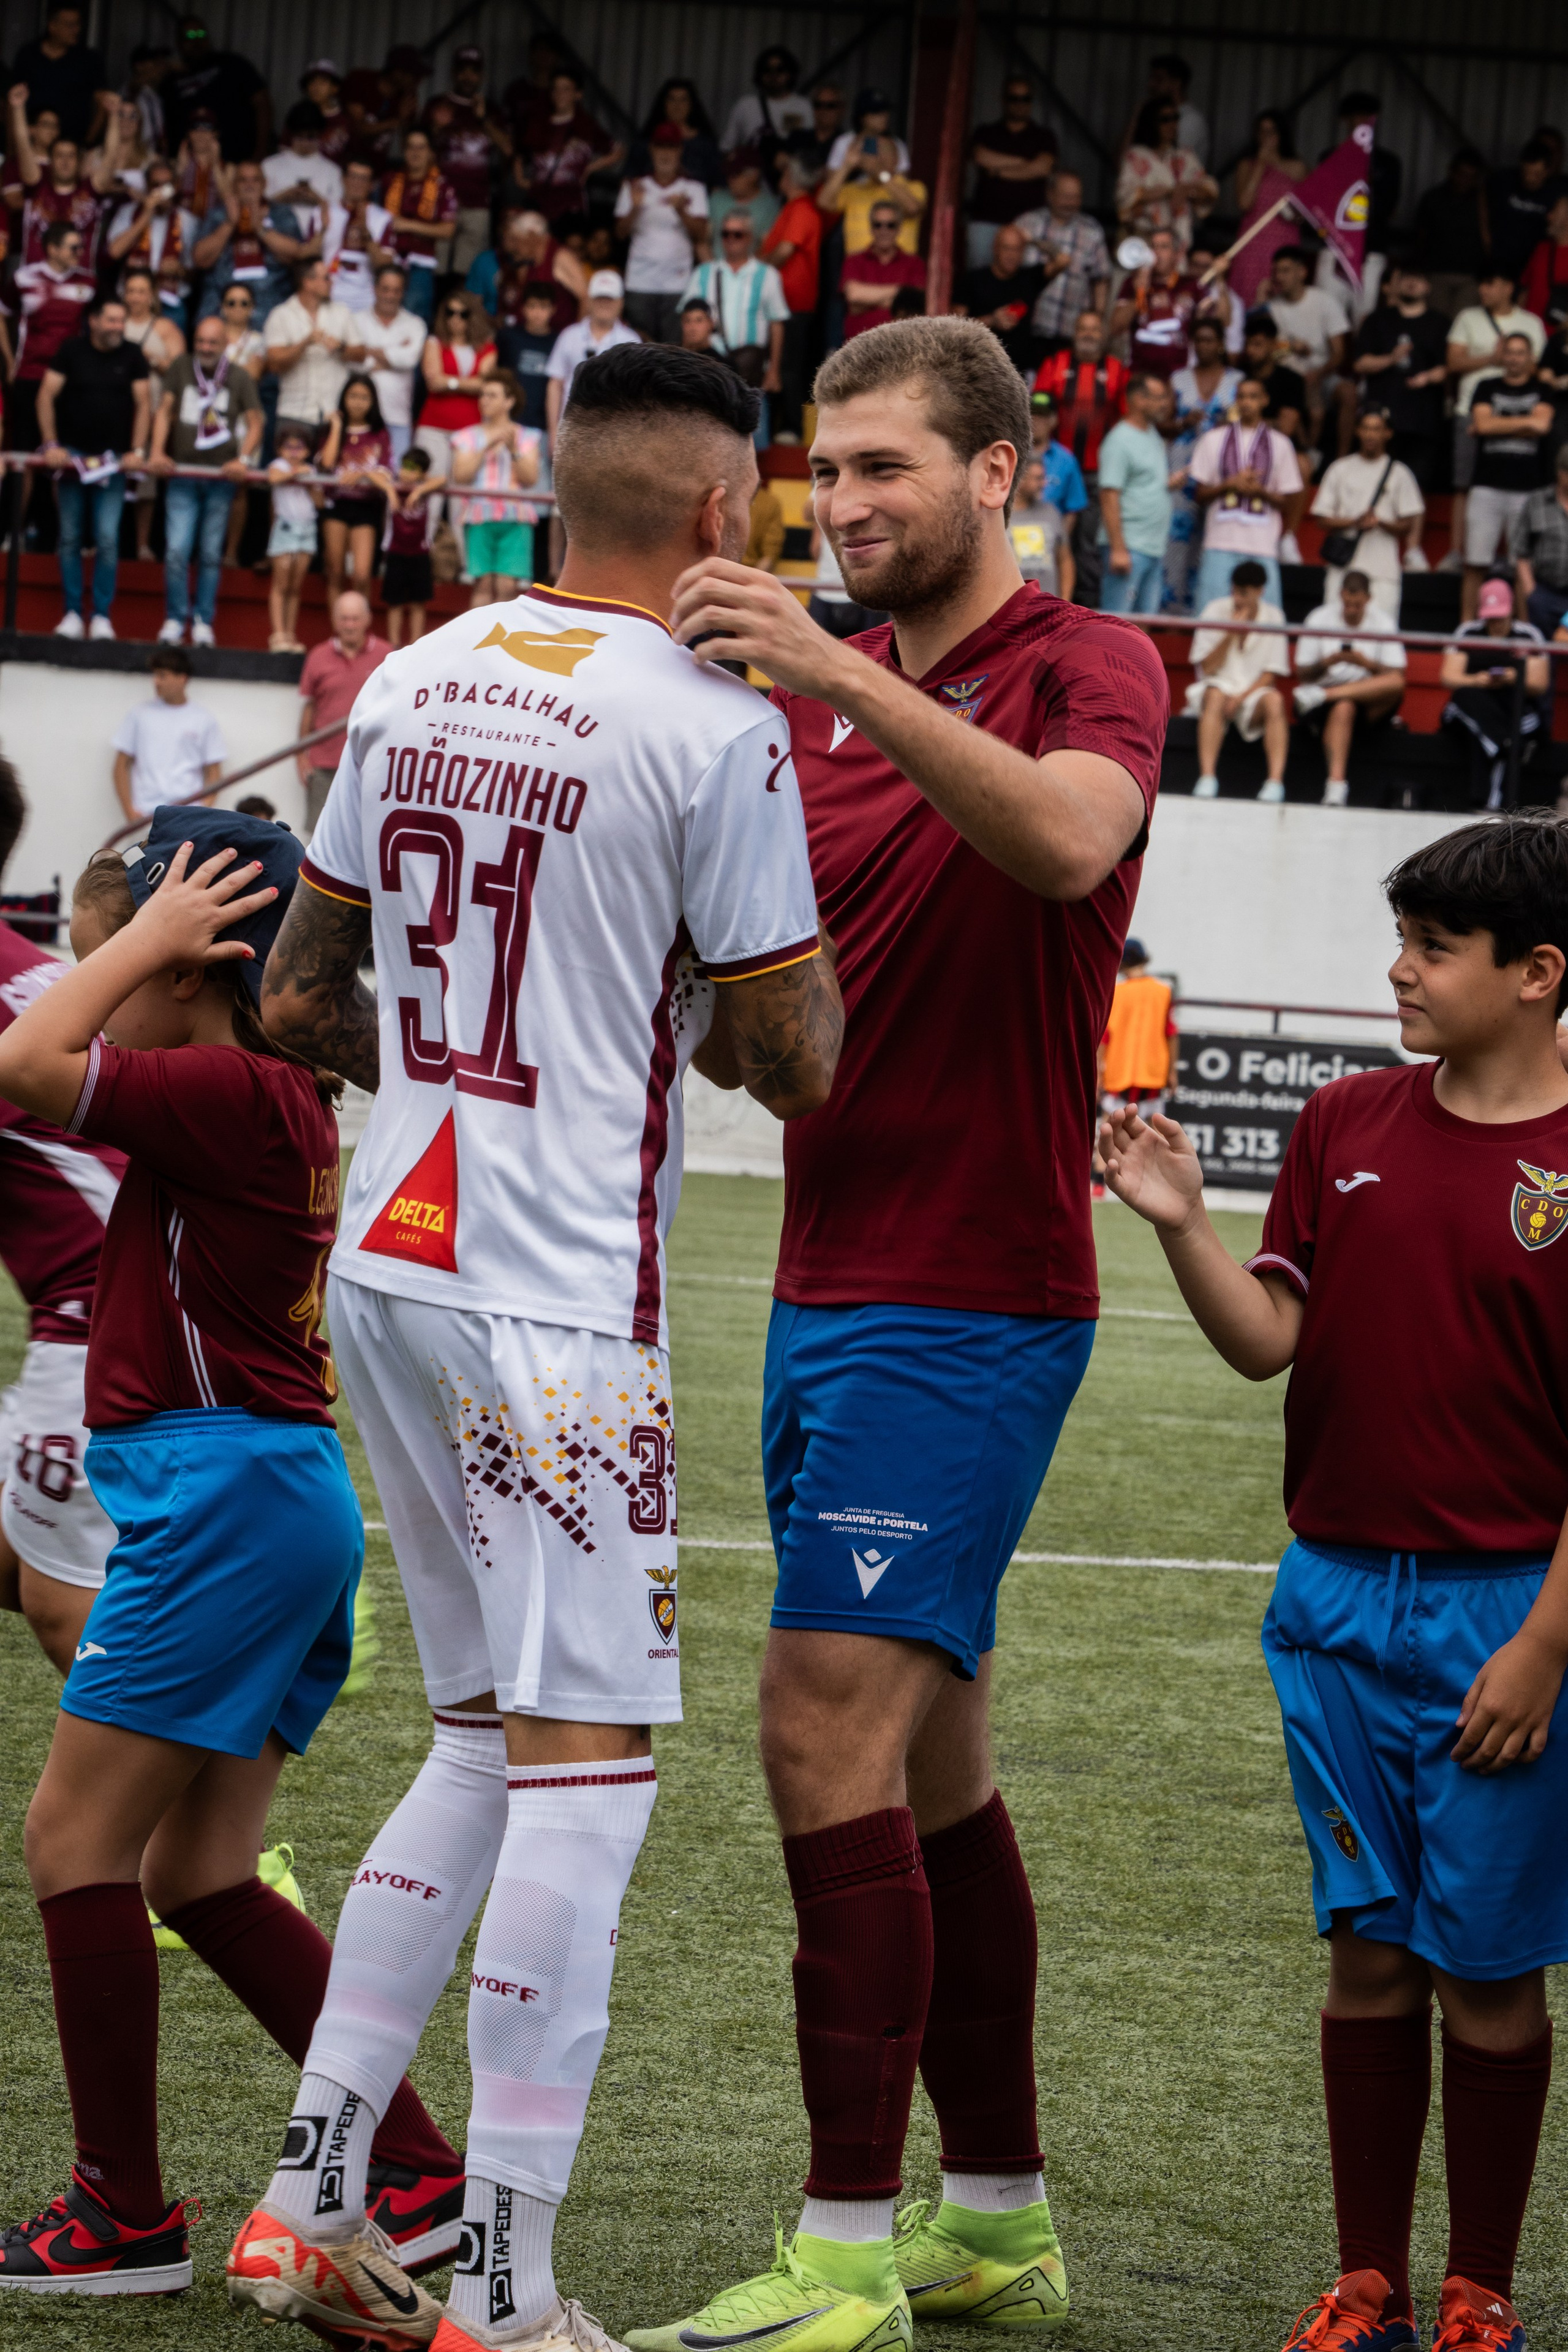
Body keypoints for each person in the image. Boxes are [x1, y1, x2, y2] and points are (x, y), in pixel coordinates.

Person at [225, 338, 835, 2352]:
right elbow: (791, 1053)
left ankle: (312, 2198)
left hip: (395, 1260)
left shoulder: (412, 672)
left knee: (484, 1733)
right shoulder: (720, 725)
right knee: (593, 1775)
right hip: (562, 1294)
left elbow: (298, 1000)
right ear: (720, 518)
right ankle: (503, 2280)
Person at [620, 303, 1164, 2352]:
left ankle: (846, 2252)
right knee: (936, 1773)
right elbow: (797, 1050)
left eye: (883, 472)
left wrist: (834, 667)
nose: (840, 507)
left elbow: (1063, 841)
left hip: (973, 1295)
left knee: (813, 1733)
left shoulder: (1085, 665)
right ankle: (999, 2224)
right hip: (831, 1283)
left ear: (997, 477)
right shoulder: (800, 731)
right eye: (822, 474)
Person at [1098, 813, 1568, 2352]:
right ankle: (1363, 2281)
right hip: (1330, 1603)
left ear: (1537, 973)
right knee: (1366, 1949)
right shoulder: (1339, 1117)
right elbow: (1263, 1339)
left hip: (1508, 1612)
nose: (1400, 968)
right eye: (1403, 938)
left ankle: (1476, 2292)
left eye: (1434, 947)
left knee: (1483, 1969)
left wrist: (1541, 1651)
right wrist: (1180, 1228)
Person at [0, 805, 463, 2297]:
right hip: (265, 1498)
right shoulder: (262, 1090)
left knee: (74, 1847)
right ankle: (417, 2168)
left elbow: (20, 1067)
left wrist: (135, 930)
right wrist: (138, 939)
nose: (97, 983)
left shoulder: (222, 1084)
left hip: (225, 1508)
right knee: (198, 1869)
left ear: (193, 963)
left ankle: (118, 2214)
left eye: (115, 959)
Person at [0, 763, 121, 1678]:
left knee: (61, 1610)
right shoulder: (30, 967)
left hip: (97, 1322)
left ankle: (204, 1828)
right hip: (138, 1298)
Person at [37, 293, 151, 643]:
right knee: (70, 537)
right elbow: (45, 395)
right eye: (113, 320)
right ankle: (72, 613)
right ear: (95, 321)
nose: (119, 327)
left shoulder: (133, 354)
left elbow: (144, 403)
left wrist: (137, 449)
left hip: (112, 462)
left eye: (122, 321)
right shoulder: (71, 350)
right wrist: (52, 444)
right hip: (72, 458)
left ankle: (101, 615)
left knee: (107, 538)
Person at [151, 306, 263, 647]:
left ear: (225, 342)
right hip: (183, 473)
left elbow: (257, 420)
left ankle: (202, 620)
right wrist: (157, 452)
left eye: (213, 342)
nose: (206, 348)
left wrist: (244, 459)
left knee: (212, 553)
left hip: (220, 478)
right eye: (200, 341)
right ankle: (174, 618)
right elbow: (165, 411)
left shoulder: (240, 375)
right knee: (176, 551)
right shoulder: (181, 367)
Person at [1446, 271, 1545, 576]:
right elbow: (1454, 363)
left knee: (1516, 485)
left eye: (1490, 284)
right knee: (1463, 485)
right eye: (1482, 284)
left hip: (1518, 404)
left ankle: (1512, 558)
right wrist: (1492, 359)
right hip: (1469, 408)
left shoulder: (1531, 323)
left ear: (1508, 287)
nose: (1483, 290)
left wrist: (1492, 426)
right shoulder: (1468, 317)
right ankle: (1454, 552)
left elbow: (1535, 367)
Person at [1293, 567, 1408, 807]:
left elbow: (1397, 675)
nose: (1352, 610)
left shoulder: (1383, 622)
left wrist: (1367, 664)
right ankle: (1336, 785)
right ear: (1341, 595)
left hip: (1362, 698)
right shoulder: (1319, 618)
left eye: (1357, 605)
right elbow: (1302, 673)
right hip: (1325, 701)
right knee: (1344, 706)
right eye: (1347, 604)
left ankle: (1324, 696)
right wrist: (1328, 662)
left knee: (1395, 683)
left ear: (1368, 599)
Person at [1187, 374, 1302, 612]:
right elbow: (1200, 495)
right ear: (1235, 401)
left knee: (1265, 622)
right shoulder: (1213, 439)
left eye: (1253, 397)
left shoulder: (1281, 444)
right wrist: (1230, 485)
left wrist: (1259, 491)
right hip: (1220, 541)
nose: (1247, 402)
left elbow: (1287, 501)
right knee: (1211, 618)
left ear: (1265, 401)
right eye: (1241, 397)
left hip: (1262, 543)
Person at [10, 219, 99, 521]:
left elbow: (99, 328)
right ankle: (13, 535)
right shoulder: (23, 277)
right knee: (24, 459)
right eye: (74, 247)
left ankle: (60, 538)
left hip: (71, 385)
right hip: (30, 378)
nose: (80, 252)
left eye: (81, 247)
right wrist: (10, 361)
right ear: (52, 249)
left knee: (64, 460)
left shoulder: (89, 284)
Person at [1183, 557, 1291, 801]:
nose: (1238, 599)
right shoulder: (1215, 610)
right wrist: (1231, 632)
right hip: (1217, 687)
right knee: (1215, 695)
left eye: (1244, 593)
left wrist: (1241, 698)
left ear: (1260, 592)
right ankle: (1207, 777)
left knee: (1275, 700)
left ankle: (1275, 783)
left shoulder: (1275, 617)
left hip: (1252, 695)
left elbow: (1270, 674)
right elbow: (1208, 667)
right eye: (1235, 591)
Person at [1441, 577, 1551, 809]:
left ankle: (1482, 801)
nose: (1496, 623)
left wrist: (1514, 677)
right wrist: (1477, 680)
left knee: (1481, 733)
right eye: (1491, 617)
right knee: (1466, 697)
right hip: (1474, 705)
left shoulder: (1529, 635)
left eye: (1500, 616)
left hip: (1511, 708)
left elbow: (1540, 684)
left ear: (1511, 610)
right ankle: (1507, 744)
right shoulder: (1468, 632)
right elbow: (1449, 677)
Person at [1465, 335, 1554, 616]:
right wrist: (1524, 422)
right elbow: (1481, 423)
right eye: (1510, 352)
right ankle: (1465, 630)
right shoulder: (1486, 386)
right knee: (1475, 562)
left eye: (1521, 353)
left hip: (1527, 490)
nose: (1515, 358)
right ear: (1502, 356)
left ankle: (1523, 630)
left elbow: (1542, 426)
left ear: (1530, 358)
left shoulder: (1543, 389)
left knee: (1522, 565)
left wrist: (1496, 424)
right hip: (1486, 486)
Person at [1311, 403, 1425, 616]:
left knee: (1382, 636)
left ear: (1388, 433)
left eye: (1377, 429)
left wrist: (1379, 522)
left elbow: (1408, 525)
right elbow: (1322, 519)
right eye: (1366, 428)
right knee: (1333, 631)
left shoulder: (1400, 473)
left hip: (1383, 571)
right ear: (1357, 431)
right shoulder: (1340, 469)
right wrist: (1355, 522)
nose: (1370, 434)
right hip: (1342, 568)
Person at [415, 287, 497, 578]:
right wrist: (467, 383)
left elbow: (485, 385)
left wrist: (449, 382)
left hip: (470, 431)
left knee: (463, 499)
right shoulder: (433, 342)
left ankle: (466, 567)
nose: (456, 319)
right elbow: (432, 383)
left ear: (472, 316)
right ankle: (420, 560)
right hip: (432, 428)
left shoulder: (486, 345)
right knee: (430, 494)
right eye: (450, 312)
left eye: (463, 314)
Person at [293, 588, 388, 834]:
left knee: (367, 832)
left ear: (367, 620)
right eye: (344, 619)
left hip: (372, 762)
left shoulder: (388, 655)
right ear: (335, 621)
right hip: (324, 764)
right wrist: (301, 755)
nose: (349, 625)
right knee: (319, 833)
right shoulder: (318, 656)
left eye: (355, 618)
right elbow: (310, 706)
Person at [1347, 262, 1450, 489]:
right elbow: (1360, 364)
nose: (1412, 283)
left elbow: (1447, 368)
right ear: (1395, 285)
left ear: (1428, 287)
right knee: (1373, 482)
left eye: (1418, 279)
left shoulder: (1440, 323)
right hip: (1381, 418)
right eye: (1406, 278)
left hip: (1423, 419)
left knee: (1415, 487)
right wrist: (1391, 359)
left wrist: (1427, 378)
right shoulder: (1377, 320)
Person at [1165, 316, 1240, 609]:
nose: (1204, 346)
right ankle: (1172, 611)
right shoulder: (1179, 379)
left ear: (1221, 344)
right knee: (1177, 542)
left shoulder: (1236, 380)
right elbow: (1164, 425)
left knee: (1212, 542)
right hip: (1184, 470)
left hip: (1222, 474)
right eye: (1199, 340)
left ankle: (1204, 611)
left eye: (1210, 340)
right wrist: (1184, 422)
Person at [7, 80, 120, 270]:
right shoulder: (37, 186)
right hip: (35, 285)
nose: (65, 161)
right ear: (50, 162)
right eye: (59, 156)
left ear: (80, 162)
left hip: (79, 286)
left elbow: (111, 154)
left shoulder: (92, 189)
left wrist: (115, 115)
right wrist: (18, 108)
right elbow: (23, 146)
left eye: (71, 156)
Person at [450, 367, 540, 605]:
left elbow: (530, 478)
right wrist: (487, 444)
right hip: (479, 516)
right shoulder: (468, 436)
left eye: (492, 395)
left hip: (516, 517)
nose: (484, 400)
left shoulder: (528, 437)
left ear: (509, 401)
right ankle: (475, 642)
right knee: (482, 585)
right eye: (483, 395)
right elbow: (461, 476)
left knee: (507, 588)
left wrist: (512, 450)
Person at [616, 124, 710, 345]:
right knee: (640, 350)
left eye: (671, 147)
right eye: (660, 147)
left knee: (672, 351)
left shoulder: (694, 188)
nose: (665, 154)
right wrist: (635, 207)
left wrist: (681, 211)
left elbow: (701, 234)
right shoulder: (634, 186)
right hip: (640, 282)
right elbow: (619, 234)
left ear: (679, 151)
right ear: (652, 150)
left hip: (677, 284)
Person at [421, 45, 509, 277]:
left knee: (467, 272)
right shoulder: (437, 105)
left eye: (474, 72)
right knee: (434, 268)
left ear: (481, 76)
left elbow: (508, 149)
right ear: (453, 73)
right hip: (440, 198)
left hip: (477, 202)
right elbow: (417, 148)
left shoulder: (493, 110)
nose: (468, 77)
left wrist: (483, 120)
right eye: (463, 70)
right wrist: (437, 128)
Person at [110, 643, 224, 820]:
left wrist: (202, 810)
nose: (156, 682)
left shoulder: (204, 719)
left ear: (182, 678)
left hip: (187, 817)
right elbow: (120, 766)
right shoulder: (139, 714)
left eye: (163, 675)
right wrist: (130, 812)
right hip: (147, 816)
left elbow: (214, 772)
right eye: (155, 675)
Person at [1096, 370, 1177, 614]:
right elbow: (1109, 495)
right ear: (1139, 400)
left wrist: (1169, 483)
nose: (1165, 404)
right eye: (1159, 397)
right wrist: (1119, 549)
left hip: (1152, 546)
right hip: (1128, 547)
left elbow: (1141, 482)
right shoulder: (1119, 440)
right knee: (1119, 624)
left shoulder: (1152, 434)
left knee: (1144, 626)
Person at [193, 157, 304, 328]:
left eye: (255, 180)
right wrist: (230, 223)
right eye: (243, 180)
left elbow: (296, 256)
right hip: (221, 301)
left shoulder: (281, 213)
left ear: (265, 184)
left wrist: (260, 228)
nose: (249, 185)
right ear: (234, 185)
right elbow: (200, 259)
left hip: (271, 299)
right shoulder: (218, 214)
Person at [120, 265, 184, 561]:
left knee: (145, 481)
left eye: (141, 291)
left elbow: (179, 373)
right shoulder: (114, 322)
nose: (135, 297)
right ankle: (106, 541)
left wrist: (151, 359)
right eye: (130, 290)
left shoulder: (166, 328)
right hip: (117, 410)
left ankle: (143, 544)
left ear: (153, 296)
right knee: (113, 475)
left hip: (152, 410)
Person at [763, 146, 826, 437]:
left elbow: (786, 250)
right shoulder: (793, 207)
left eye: (786, 169)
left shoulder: (802, 208)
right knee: (781, 363)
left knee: (789, 366)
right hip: (782, 301)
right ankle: (781, 425)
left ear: (792, 175)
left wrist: (755, 270)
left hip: (793, 301)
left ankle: (791, 428)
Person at [318, 373, 391, 609]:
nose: (358, 402)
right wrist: (338, 427)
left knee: (361, 574)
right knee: (336, 572)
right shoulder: (330, 429)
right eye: (353, 396)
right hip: (336, 505)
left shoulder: (379, 433)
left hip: (366, 507)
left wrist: (362, 474)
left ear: (373, 401)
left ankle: (361, 632)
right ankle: (338, 636)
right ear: (344, 398)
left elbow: (386, 473)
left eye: (364, 397)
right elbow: (327, 464)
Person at [966, 77, 1055, 270]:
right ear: (1004, 100)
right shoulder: (986, 132)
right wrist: (1024, 163)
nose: (1020, 104)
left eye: (1025, 99)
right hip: (987, 220)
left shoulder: (1044, 136)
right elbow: (980, 157)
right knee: (980, 277)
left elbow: (1043, 168)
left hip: (1029, 223)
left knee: (1025, 281)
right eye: (1014, 98)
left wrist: (997, 172)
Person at [682, 224, 790, 383]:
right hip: (710, 368)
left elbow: (777, 324)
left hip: (752, 370)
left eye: (738, 234)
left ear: (750, 238)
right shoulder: (703, 273)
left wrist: (774, 371)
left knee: (756, 407)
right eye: (726, 234)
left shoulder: (768, 275)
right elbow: (687, 319)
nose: (731, 239)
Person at [1014, 172, 1109, 352]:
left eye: (1076, 197)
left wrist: (1098, 319)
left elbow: (1101, 279)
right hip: (1028, 327)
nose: (1071, 203)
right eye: (1066, 196)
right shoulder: (1027, 224)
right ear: (1050, 194)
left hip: (1071, 331)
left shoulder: (1092, 231)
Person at [819, 100, 925, 260]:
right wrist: (847, 166)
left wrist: (880, 174)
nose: (876, 157)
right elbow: (823, 202)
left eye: (883, 152)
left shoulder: (914, 188)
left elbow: (912, 208)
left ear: (896, 159)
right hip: (860, 272)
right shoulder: (855, 189)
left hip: (899, 273)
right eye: (873, 153)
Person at [516, 67, 622, 228]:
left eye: (566, 89)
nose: (560, 94)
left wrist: (589, 169)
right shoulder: (539, 123)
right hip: (539, 203)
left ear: (578, 94)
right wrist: (521, 180)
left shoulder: (587, 126)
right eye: (556, 89)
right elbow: (518, 152)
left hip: (571, 205)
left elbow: (618, 151)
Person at [263, 257, 353, 444]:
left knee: (331, 472)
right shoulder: (281, 315)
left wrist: (340, 347)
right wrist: (304, 344)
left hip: (335, 413)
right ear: (308, 282)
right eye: (326, 278)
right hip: (294, 413)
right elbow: (274, 364)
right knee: (291, 473)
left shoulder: (342, 312)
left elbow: (361, 353)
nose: (331, 282)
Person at [467, 206, 587, 341]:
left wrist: (578, 338)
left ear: (532, 235)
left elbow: (586, 297)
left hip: (559, 339)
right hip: (528, 338)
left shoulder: (560, 257)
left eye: (517, 240)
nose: (515, 247)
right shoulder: (528, 261)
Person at [1116, 93, 1215, 255]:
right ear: (1152, 123)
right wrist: (1169, 191)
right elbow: (1124, 197)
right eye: (1165, 119)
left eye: (1175, 118)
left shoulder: (1185, 156)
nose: (1172, 125)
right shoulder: (1135, 156)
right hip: (1143, 242)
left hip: (1176, 245)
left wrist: (1187, 191)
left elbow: (1210, 190)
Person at [1264, 244, 1348, 434]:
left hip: (1323, 374)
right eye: (1276, 271)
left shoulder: (1325, 301)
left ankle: (1342, 461)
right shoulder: (1271, 308)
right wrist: (1291, 348)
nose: (1279, 277)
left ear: (1302, 272)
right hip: (1287, 375)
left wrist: (1318, 374)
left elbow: (1340, 353)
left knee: (1348, 393)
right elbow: (1268, 353)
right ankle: (1306, 448)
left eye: (1285, 271)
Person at [345, 262, 423, 462]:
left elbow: (410, 359)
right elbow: (352, 363)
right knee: (357, 479)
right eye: (385, 289)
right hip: (359, 417)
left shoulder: (415, 324)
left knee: (397, 479)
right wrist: (394, 354)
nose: (390, 296)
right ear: (375, 289)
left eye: (397, 291)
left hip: (397, 416)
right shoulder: (355, 321)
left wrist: (369, 352)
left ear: (403, 293)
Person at [162, 15, 269, 161]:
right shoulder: (170, 79)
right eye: (190, 35)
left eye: (201, 34)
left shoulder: (233, 64)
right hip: (189, 164)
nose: (196, 40)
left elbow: (263, 104)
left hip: (235, 160)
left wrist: (260, 152)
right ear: (179, 42)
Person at [1230, 108, 1306, 312]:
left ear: (1282, 135)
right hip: (1252, 242)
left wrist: (1296, 214)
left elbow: (1307, 213)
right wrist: (1261, 164)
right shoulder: (1247, 165)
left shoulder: (1297, 168)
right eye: (1261, 132)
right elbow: (1245, 204)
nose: (1266, 137)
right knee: (1248, 294)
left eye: (1272, 132)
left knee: (1282, 294)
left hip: (1284, 239)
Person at [382, 126, 458, 324]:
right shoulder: (390, 181)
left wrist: (408, 225)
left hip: (420, 265)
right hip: (387, 261)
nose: (415, 153)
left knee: (413, 320)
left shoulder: (443, 186)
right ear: (404, 151)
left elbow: (448, 230)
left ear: (431, 153)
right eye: (410, 147)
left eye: (421, 148)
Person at [1109, 224, 1200, 382]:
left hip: (1179, 376)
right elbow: (1116, 328)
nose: (1157, 252)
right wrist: (1140, 291)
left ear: (1177, 255)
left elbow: (1219, 322)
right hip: (1139, 374)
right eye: (1153, 247)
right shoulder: (1132, 283)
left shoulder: (1191, 285)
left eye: (1164, 247)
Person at [1099, 937, 1175, 1122]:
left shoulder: (1116, 992)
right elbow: (1171, 1033)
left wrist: (1098, 1074)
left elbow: (1105, 1037)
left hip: (1119, 1072)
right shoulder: (1163, 991)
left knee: (1110, 1130)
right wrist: (1172, 1071)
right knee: (1153, 1129)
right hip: (1152, 1072)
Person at [1412, 148, 1493, 320]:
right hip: (1437, 273)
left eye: (1471, 176)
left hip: (1470, 276)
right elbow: (1421, 235)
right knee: (1436, 322)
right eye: (1462, 174)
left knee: (1462, 323)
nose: (1465, 180)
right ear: (1452, 171)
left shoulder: (1483, 202)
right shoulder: (1433, 198)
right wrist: (1421, 270)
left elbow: (1488, 238)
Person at [13, 2, 105, 146]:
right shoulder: (28, 56)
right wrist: (15, 143)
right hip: (31, 146)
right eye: (70, 25)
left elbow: (102, 104)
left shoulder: (89, 60)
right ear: (52, 26)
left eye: (78, 24)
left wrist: (88, 143)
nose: (76, 30)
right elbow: (12, 102)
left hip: (74, 146)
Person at [958, 224, 1045, 376]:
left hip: (1020, 370)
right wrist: (992, 320)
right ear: (995, 249)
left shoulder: (1030, 278)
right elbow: (956, 327)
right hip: (980, 368)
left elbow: (1063, 260)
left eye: (1017, 249)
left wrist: (1032, 240)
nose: (1011, 255)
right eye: (1006, 248)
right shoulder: (973, 279)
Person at [265, 424, 320, 652]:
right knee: (281, 583)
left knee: (295, 586)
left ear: (307, 451)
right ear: (280, 449)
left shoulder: (311, 471)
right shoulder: (278, 465)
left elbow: (319, 502)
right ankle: (277, 634)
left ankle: (290, 633)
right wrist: (296, 473)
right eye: (289, 447)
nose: (294, 452)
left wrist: (308, 482)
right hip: (285, 528)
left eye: (300, 448)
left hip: (307, 529)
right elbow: (273, 478)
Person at [839, 202, 925, 341]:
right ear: (871, 228)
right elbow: (854, 296)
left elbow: (914, 305)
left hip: (901, 343)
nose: (884, 230)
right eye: (878, 225)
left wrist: (865, 301)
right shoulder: (854, 260)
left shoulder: (915, 263)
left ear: (899, 228)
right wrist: (901, 292)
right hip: (858, 345)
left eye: (890, 225)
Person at [378, 442, 438, 644]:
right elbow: (372, 475)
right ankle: (393, 644)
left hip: (420, 553)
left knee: (418, 602)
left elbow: (443, 479)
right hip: (395, 551)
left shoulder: (424, 488)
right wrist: (388, 489)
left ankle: (415, 644)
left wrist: (419, 491)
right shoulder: (393, 483)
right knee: (394, 601)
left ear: (422, 473)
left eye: (412, 469)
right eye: (404, 466)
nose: (405, 472)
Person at [319, 159, 394, 315]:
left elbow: (385, 266)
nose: (357, 183)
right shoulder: (324, 213)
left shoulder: (383, 218)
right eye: (353, 177)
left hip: (366, 298)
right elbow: (307, 257)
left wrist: (366, 233)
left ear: (372, 185)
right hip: (329, 294)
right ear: (343, 179)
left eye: (363, 179)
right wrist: (323, 229)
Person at [1510, 442, 1568, 635]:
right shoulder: (1537, 501)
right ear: (1561, 473)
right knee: (1541, 656)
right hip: (1545, 593)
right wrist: (1531, 592)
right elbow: (1521, 551)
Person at [1493, 138, 1564, 291]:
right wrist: (1486, 236)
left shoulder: (1556, 192)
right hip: (1502, 261)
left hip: (1534, 263)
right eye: (1526, 172)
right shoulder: (1505, 180)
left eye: (1536, 174)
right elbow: (1483, 194)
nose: (1529, 178)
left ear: (1548, 171)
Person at [630, 77, 721, 190]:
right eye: (672, 99)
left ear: (691, 105)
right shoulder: (645, 142)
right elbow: (629, 179)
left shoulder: (706, 144)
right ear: (664, 103)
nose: (677, 106)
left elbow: (717, 184)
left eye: (683, 100)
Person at [722, 45, 813, 157]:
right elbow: (727, 147)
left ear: (790, 73)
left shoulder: (804, 106)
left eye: (780, 70)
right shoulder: (746, 105)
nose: (773, 75)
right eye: (767, 70)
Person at [1120, 53, 1207, 165]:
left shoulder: (1191, 121)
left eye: (1159, 80)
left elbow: (1169, 162)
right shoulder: (1149, 113)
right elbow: (1122, 160)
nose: (1151, 85)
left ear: (1176, 83)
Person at [1008, 452, 1074, 598]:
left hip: (1048, 606)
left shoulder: (1051, 512)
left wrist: (1065, 602)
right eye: (1038, 478)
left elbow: (1065, 560)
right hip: (1011, 608)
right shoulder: (1000, 515)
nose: (1044, 484)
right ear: (1020, 479)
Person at [262, 99, 342, 216]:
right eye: (300, 136)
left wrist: (317, 200)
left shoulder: (333, 171)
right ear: (291, 134)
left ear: (320, 135)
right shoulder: (269, 165)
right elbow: (258, 205)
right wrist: (283, 198)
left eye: (311, 137)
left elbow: (340, 212)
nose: (305, 143)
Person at [1523, 192, 1568, 333]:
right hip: (1529, 333)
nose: (1549, 216)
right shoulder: (1542, 249)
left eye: (1554, 212)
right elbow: (1525, 289)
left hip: (1558, 339)